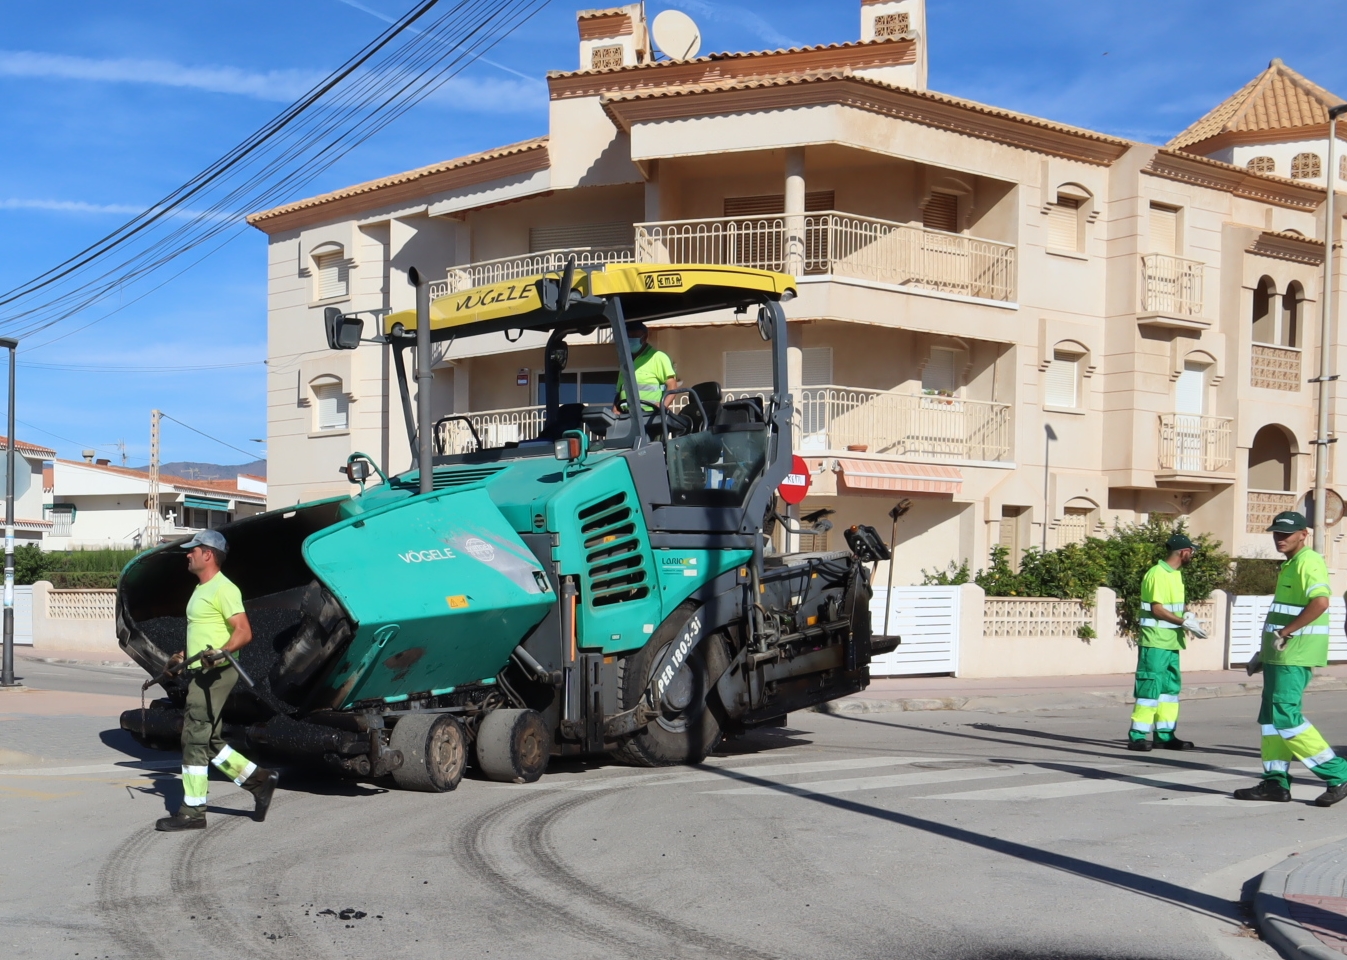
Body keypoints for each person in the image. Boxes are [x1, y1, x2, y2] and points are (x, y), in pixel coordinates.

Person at [155, 529, 279, 832]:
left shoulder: (224, 588)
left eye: (193, 550)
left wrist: (221, 654)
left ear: (208, 554)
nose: (188, 554)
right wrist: (182, 656)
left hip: (217, 672)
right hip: (202, 670)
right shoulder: (201, 589)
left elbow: (243, 631)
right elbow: (207, 632)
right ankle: (259, 781)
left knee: (194, 737)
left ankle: (193, 812)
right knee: (208, 739)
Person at [1234, 511, 1347, 806]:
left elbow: (1320, 601)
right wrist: (1264, 653)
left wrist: (1286, 632)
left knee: (1286, 718)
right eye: (1276, 533)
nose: (1280, 539)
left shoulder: (1309, 561)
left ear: (1303, 534)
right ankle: (1275, 783)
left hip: (1294, 655)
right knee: (1272, 720)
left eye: (1286, 534)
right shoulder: (1291, 564)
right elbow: (1282, 613)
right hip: (1279, 656)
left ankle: (1338, 772)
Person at [1127, 533, 1208, 752]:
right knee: (1150, 688)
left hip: (1172, 642)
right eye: (1191, 551)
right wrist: (1184, 622)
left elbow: (1173, 607)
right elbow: (1157, 609)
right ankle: (1137, 736)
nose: (1193, 555)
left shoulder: (1175, 574)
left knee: (1169, 691)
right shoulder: (1157, 573)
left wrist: (1188, 617)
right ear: (1183, 552)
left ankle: (1165, 734)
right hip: (1155, 641)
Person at [613, 321, 677, 415]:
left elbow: (672, 386)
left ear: (645, 337)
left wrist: (663, 405)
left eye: (634, 336)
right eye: (628, 336)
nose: (631, 339)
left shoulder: (658, 357)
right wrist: (615, 409)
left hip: (650, 417)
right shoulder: (626, 362)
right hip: (626, 415)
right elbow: (620, 391)